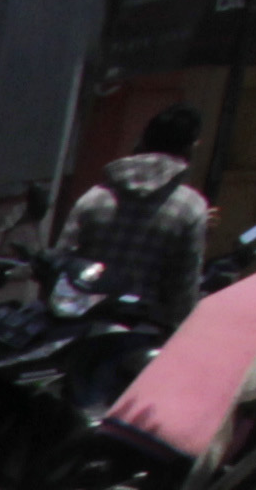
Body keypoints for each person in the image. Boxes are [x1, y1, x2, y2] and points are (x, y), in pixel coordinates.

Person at [59, 104, 218, 327]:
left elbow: (62, 261)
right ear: (190, 148)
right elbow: (183, 288)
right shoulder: (190, 207)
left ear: (142, 142)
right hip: (141, 330)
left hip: (79, 323)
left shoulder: (94, 198)